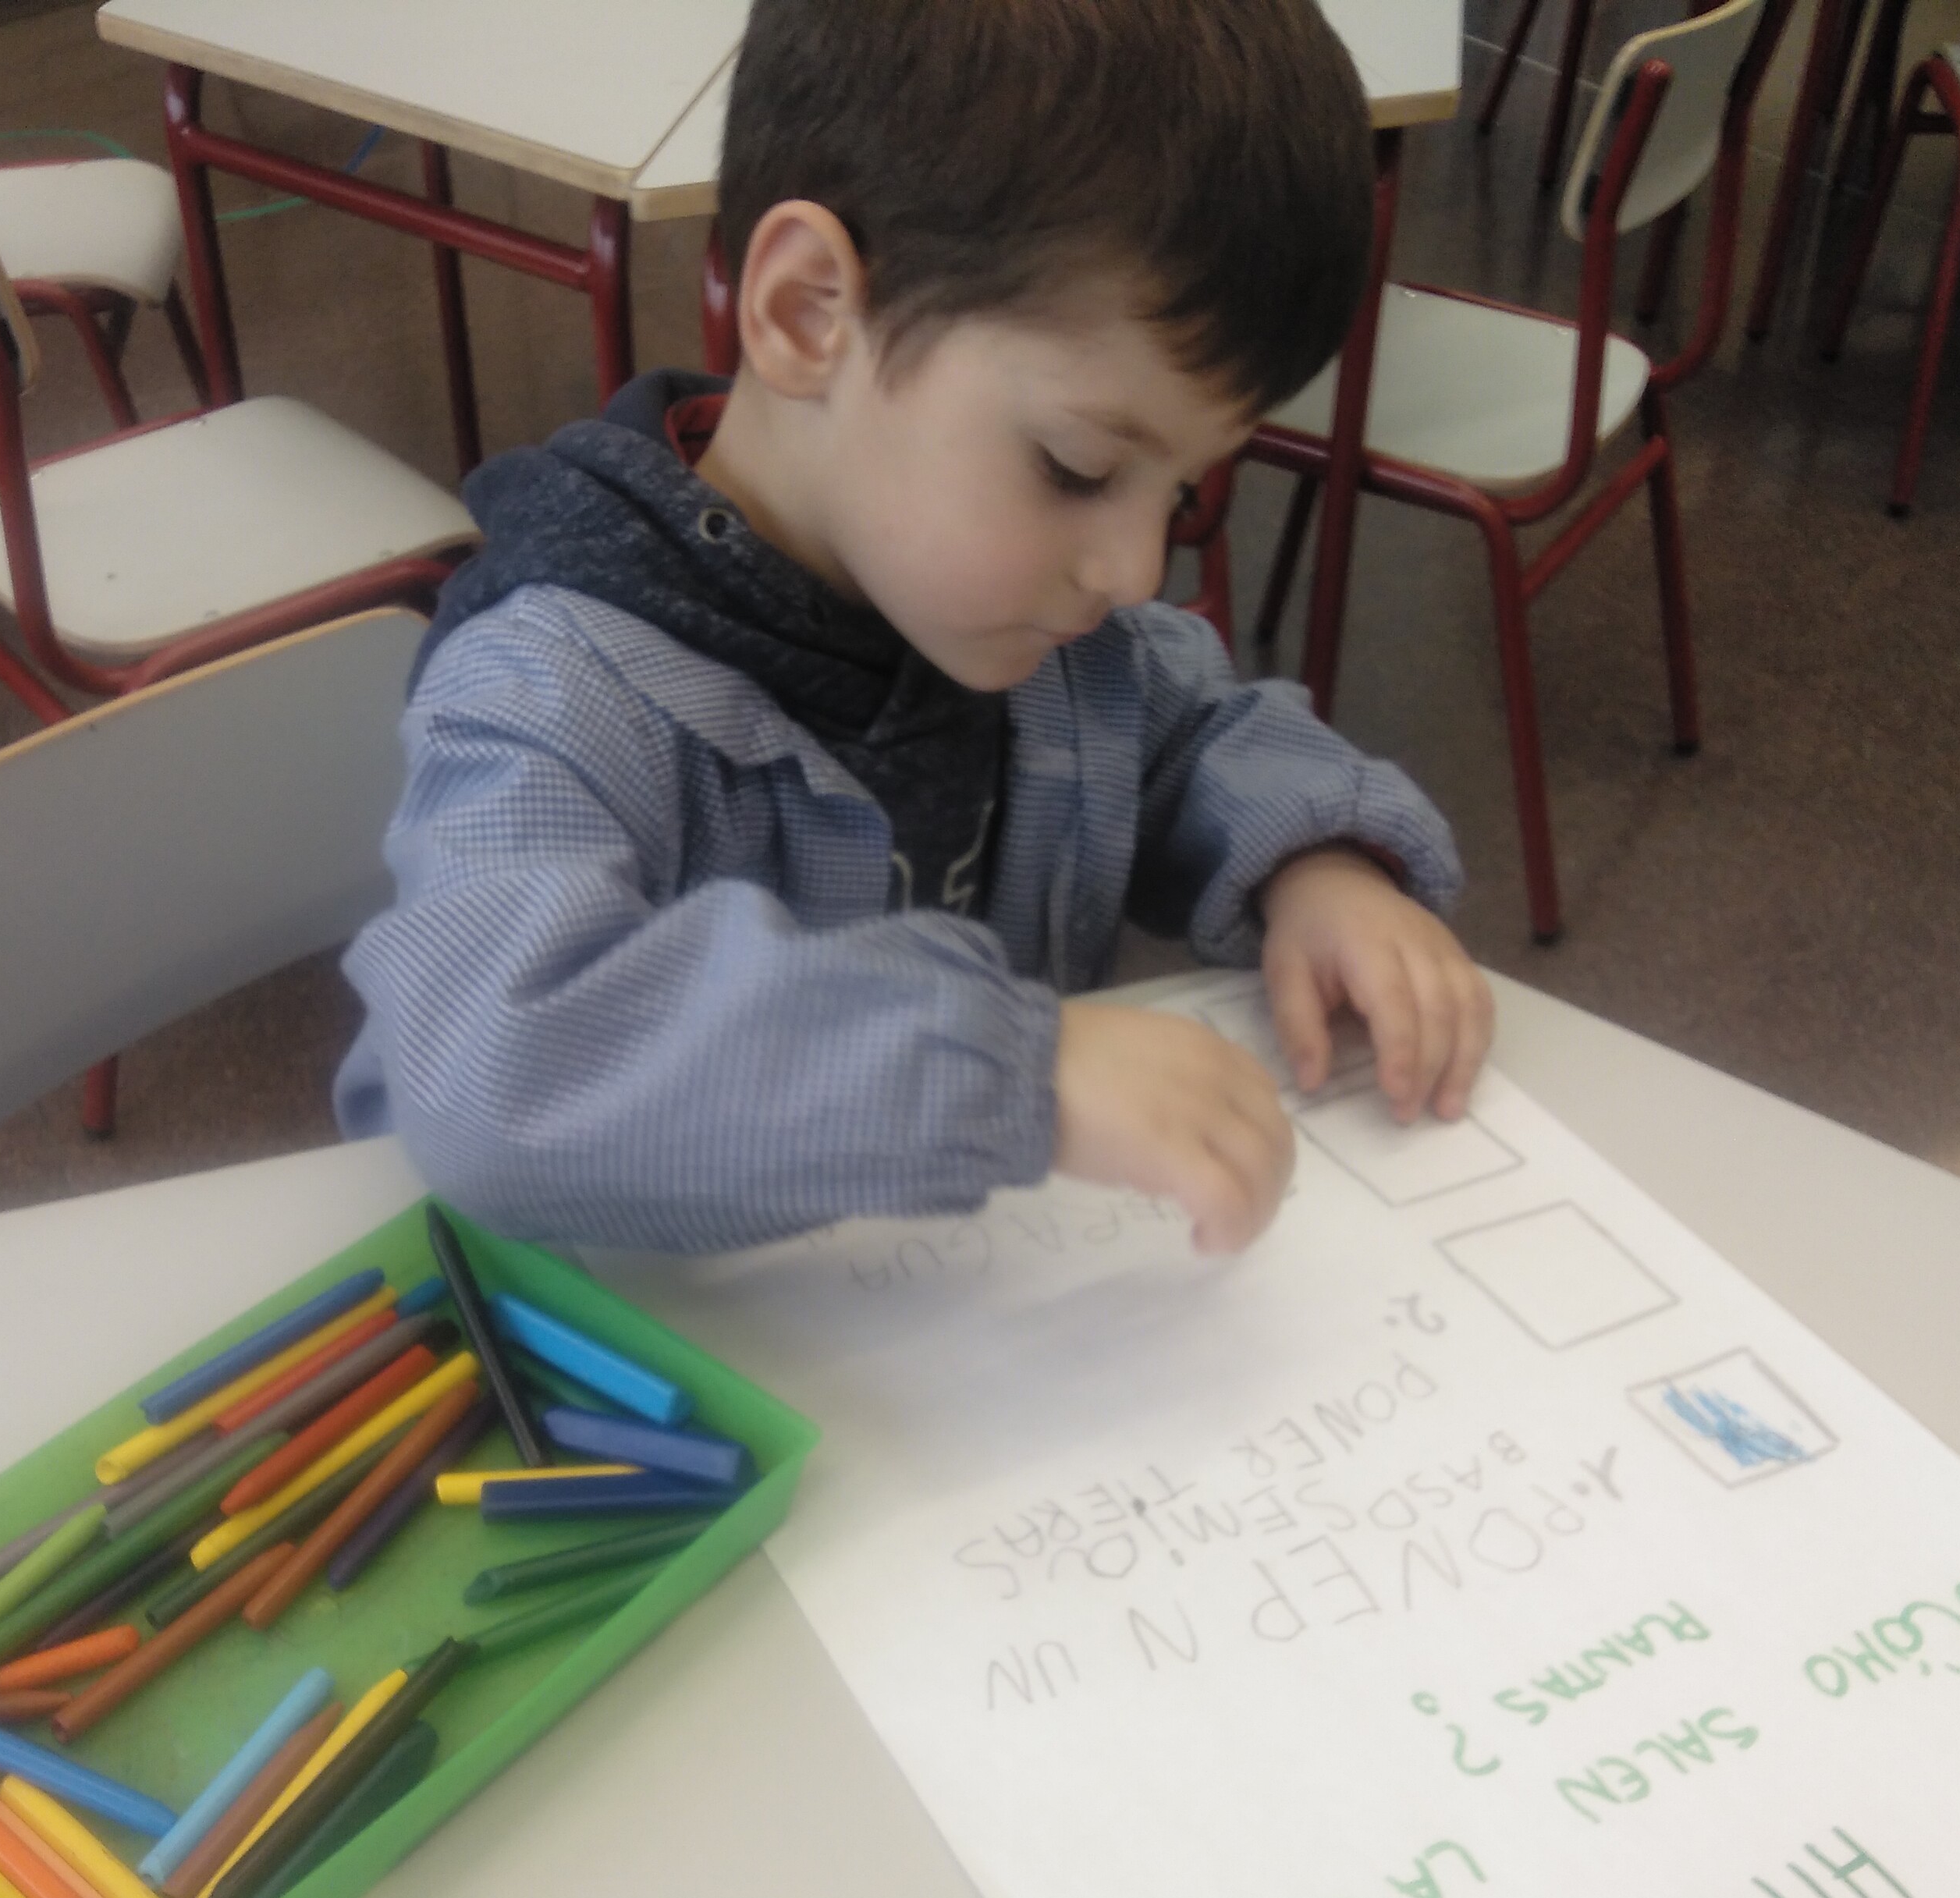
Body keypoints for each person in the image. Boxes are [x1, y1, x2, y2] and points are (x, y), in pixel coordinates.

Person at [336, 0, 1492, 1256]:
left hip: (976, 1329)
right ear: (808, 313)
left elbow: (1198, 735)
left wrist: (1317, 868)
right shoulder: (556, 690)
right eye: (1077, 466)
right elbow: (494, 1067)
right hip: (661, 1343)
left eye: (1182, 492)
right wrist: (1008, 1069)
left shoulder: (1039, 632)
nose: (1134, 570)